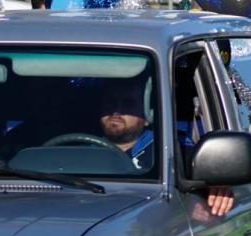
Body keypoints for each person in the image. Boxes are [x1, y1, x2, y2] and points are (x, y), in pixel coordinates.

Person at [99, 80, 234, 216]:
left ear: (148, 115)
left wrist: (217, 189)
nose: (116, 111)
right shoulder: (80, 150)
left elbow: (211, 175)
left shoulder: (174, 150)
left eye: (128, 104)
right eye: (110, 103)